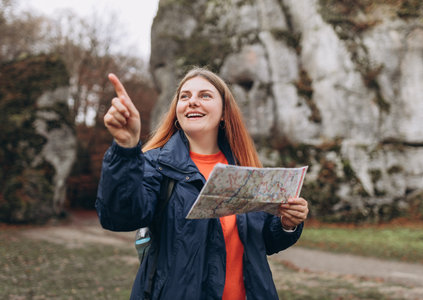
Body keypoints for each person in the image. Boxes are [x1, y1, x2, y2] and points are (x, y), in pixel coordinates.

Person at [96, 67, 309, 300]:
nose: (192, 102)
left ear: (224, 113)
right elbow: (119, 216)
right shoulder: (154, 164)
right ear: (176, 111)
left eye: (205, 95)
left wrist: (287, 223)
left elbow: (263, 242)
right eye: (184, 96)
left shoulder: (244, 169)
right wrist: (125, 148)